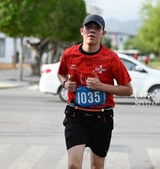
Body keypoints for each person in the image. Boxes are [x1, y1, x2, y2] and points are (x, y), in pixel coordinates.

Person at [57, 14, 133, 169]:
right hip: (76, 115)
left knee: (97, 166)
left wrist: (101, 86)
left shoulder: (111, 58)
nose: (92, 31)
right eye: (88, 27)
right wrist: (65, 83)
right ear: (82, 31)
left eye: (97, 28)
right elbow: (61, 73)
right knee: (73, 165)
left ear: (103, 33)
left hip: (102, 118)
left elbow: (128, 90)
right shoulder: (69, 54)